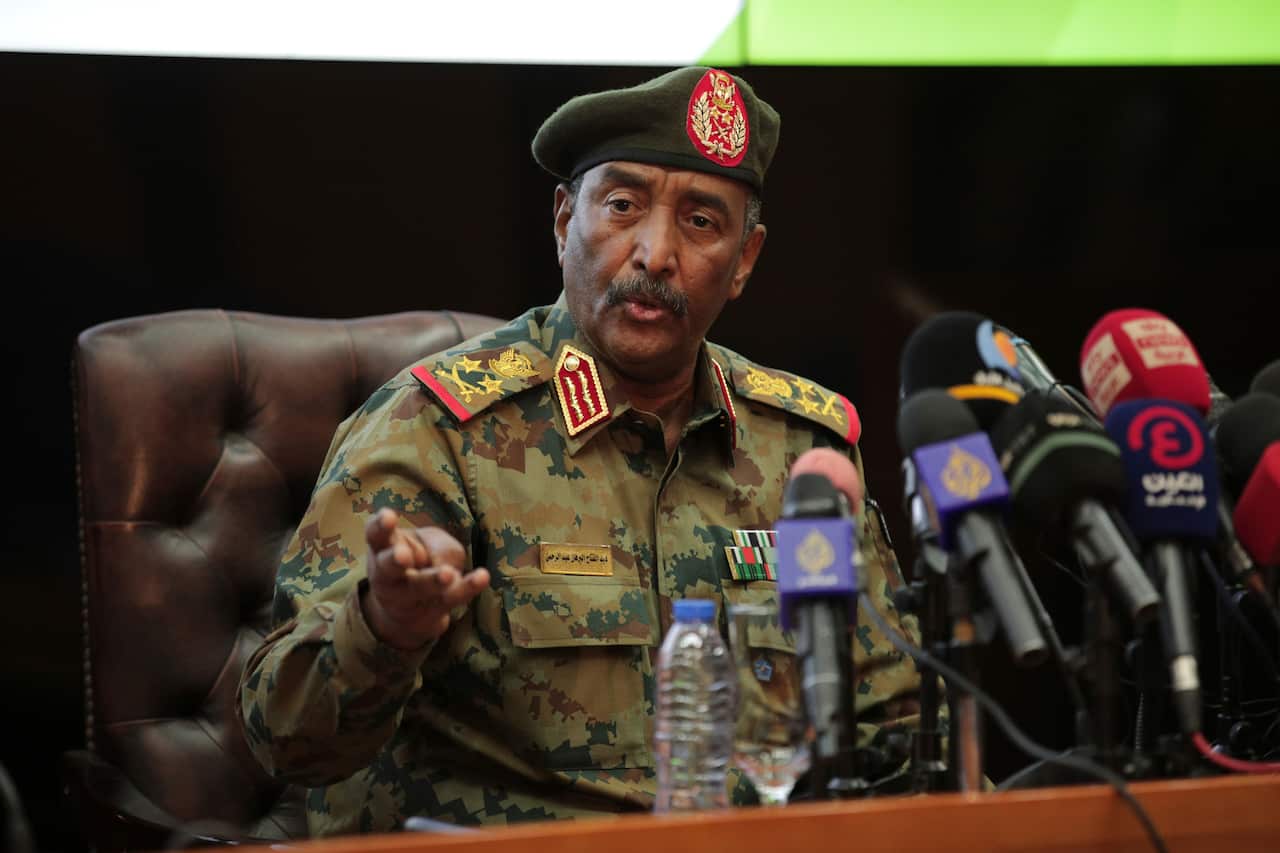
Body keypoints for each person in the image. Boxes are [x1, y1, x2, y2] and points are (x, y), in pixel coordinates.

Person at [237, 66, 922, 835]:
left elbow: (892, 724)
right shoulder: (438, 431)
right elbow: (281, 735)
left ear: (746, 260)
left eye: (701, 222)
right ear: (565, 220)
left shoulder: (801, 448)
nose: (656, 253)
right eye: (623, 206)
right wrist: (385, 627)